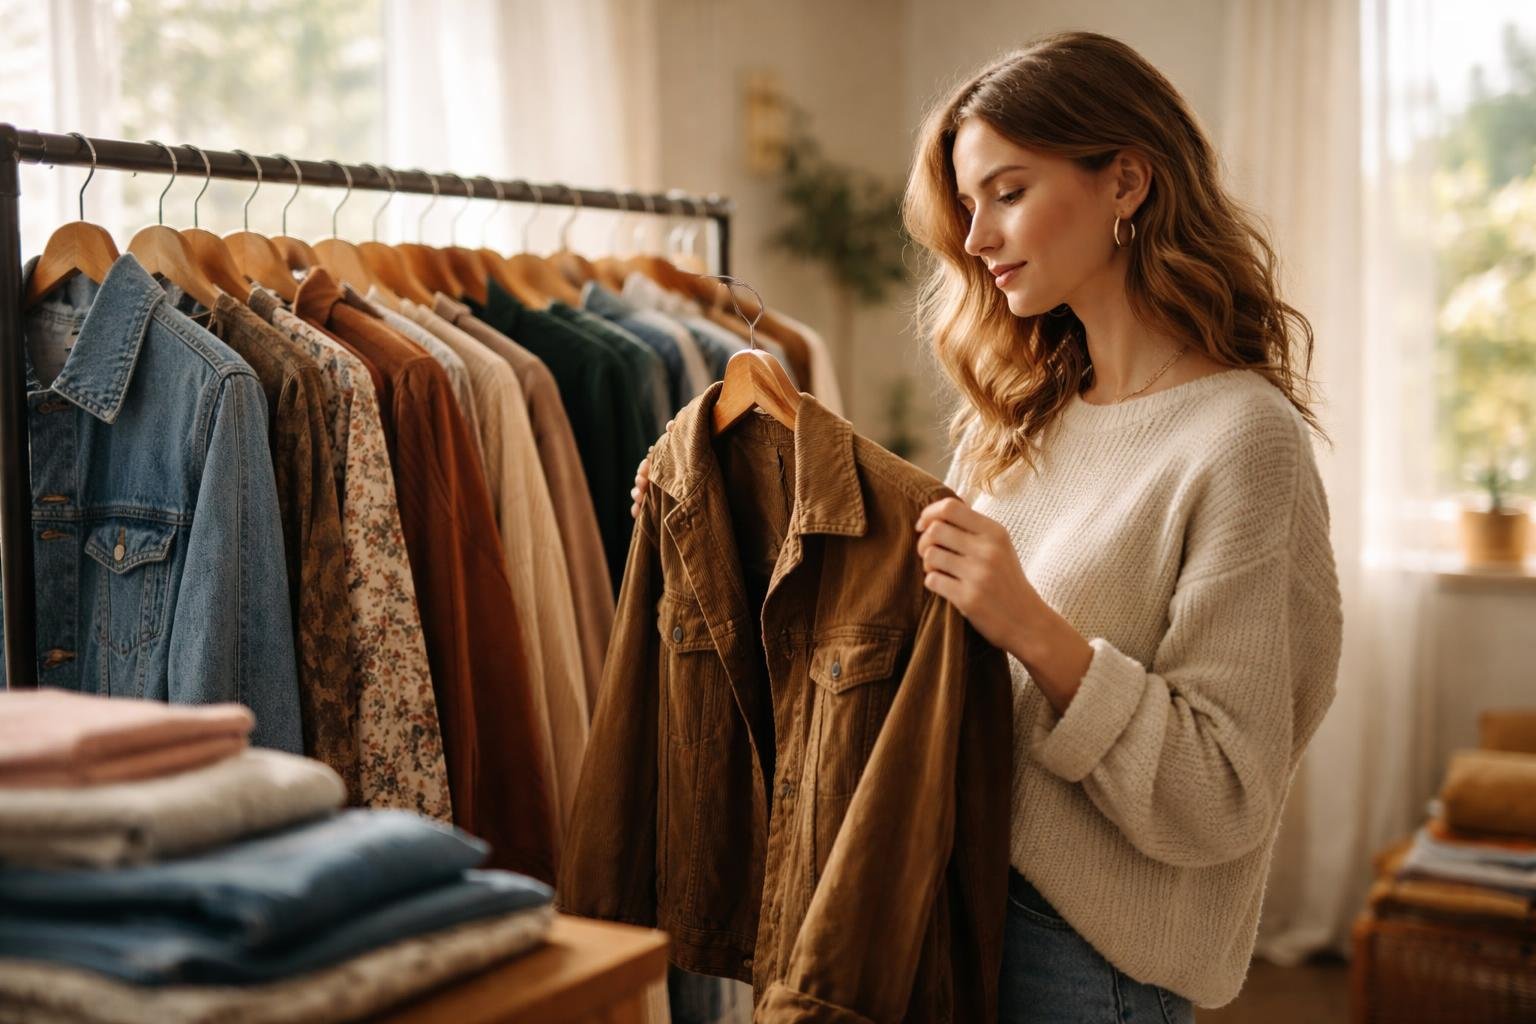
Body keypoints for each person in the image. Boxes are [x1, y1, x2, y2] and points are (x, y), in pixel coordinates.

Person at [631, 31, 1343, 1023]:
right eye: (968, 206)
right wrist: (709, 514)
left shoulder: (1243, 442)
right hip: (943, 893)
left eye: (1007, 193)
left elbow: (1220, 796)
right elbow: (920, 633)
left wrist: (1037, 632)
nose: (976, 239)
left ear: (1126, 181)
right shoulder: (1018, 417)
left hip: (1087, 962)